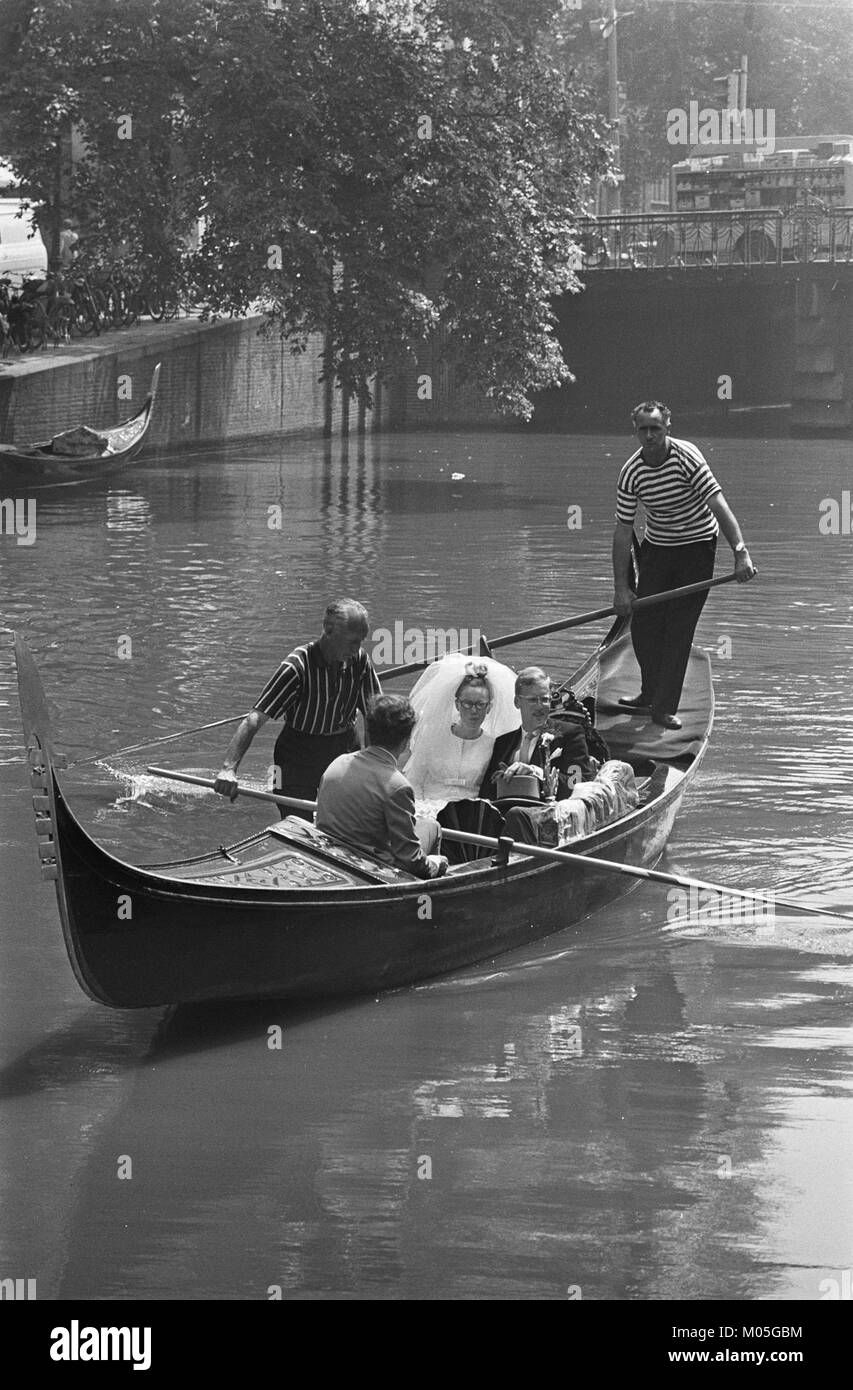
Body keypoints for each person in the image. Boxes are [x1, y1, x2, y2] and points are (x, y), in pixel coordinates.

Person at [612, 400, 756, 730]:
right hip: (659, 548)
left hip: (697, 547)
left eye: (656, 429)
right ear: (635, 431)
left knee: (678, 627)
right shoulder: (631, 472)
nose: (649, 436)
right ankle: (649, 693)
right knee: (644, 624)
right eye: (643, 430)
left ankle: (663, 708)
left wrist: (740, 552)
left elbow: (719, 505)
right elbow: (622, 532)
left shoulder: (687, 458)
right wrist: (621, 589)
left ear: (667, 429)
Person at [214, 599, 381, 817]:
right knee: (296, 820)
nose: (356, 649)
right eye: (351, 641)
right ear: (328, 630)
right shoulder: (296, 666)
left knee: (349, 818)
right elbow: (254, 719)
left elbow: (374, 715)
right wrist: (229, 769)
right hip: (296, 754)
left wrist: (374, 764)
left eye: (360, 642)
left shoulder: (358, 660)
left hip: (344, 748)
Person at [315, 695, 448, 879]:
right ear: (406, 741)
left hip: (328, 854)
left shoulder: (337, 763)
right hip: (372, 867)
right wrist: (436, 863)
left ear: (370, 731)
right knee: (432, 826)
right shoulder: (398, 786)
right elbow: (412, 860)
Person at [401, 654, 519, 816]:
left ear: (489, 707)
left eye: (480, 704)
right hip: (427, 809)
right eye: (467, 703)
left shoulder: (493, 744)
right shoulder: (433, 736)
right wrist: (422, 812)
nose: (474, 711)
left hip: (470, 815)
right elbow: (414, 781)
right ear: (457, 704)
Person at [478, 666, 598, 803]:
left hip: (547, 815)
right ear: (517, 702)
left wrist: (538, 773)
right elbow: (486, 793)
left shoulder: (570, 735)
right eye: (533, 700)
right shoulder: (503, 742)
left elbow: (577, 783)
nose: (540, 706)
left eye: (545, 700)